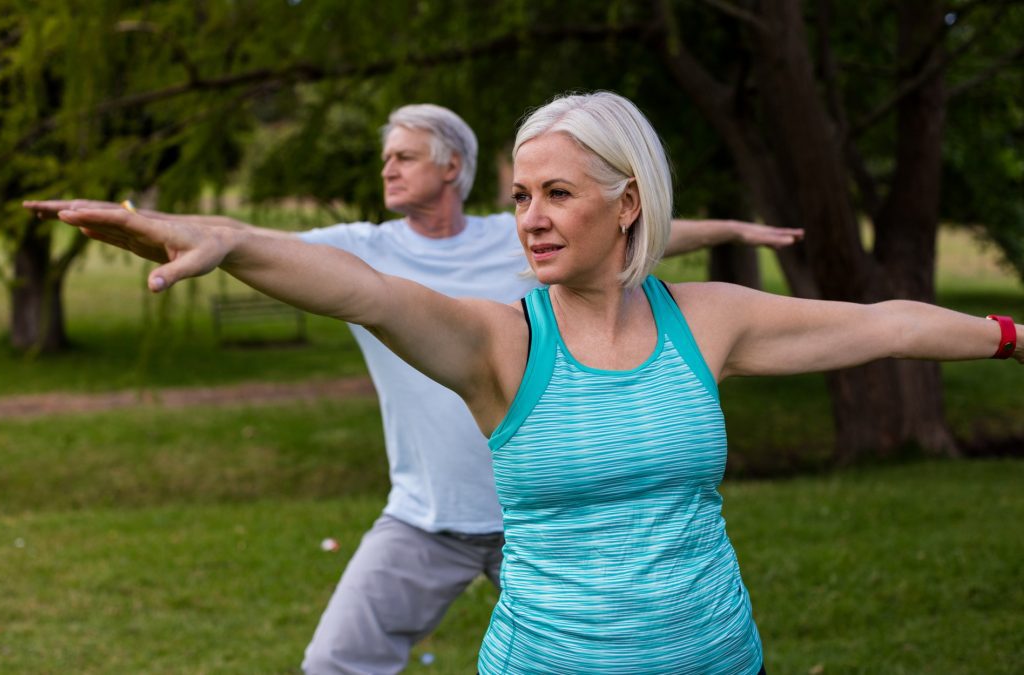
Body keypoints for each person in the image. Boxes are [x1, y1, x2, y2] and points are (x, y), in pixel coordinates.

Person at [54, 90, 1019, 673]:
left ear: (627, 201)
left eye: (557, 192)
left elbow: (885, 324)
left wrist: (1010, 334)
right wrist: (231, 242)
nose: (531, 217)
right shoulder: (498, 342)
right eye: (520, 195)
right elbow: (359, 289)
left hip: (721, 654)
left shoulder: (709, 319)